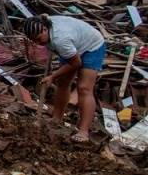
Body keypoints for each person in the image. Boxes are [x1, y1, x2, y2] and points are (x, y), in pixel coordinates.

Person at [23, 14, 105, 143]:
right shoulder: (45, 24)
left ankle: (83, 131)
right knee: (63, 82)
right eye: (35, 41)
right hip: (73, 45)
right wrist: (56, 76)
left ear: (44, 29)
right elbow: (44, 15)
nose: (39, 43)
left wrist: (53, 76)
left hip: (92, 47)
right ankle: (57, 118)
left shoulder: (60, 39)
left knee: (84, 88)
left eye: (39, 39)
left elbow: (76, 63)